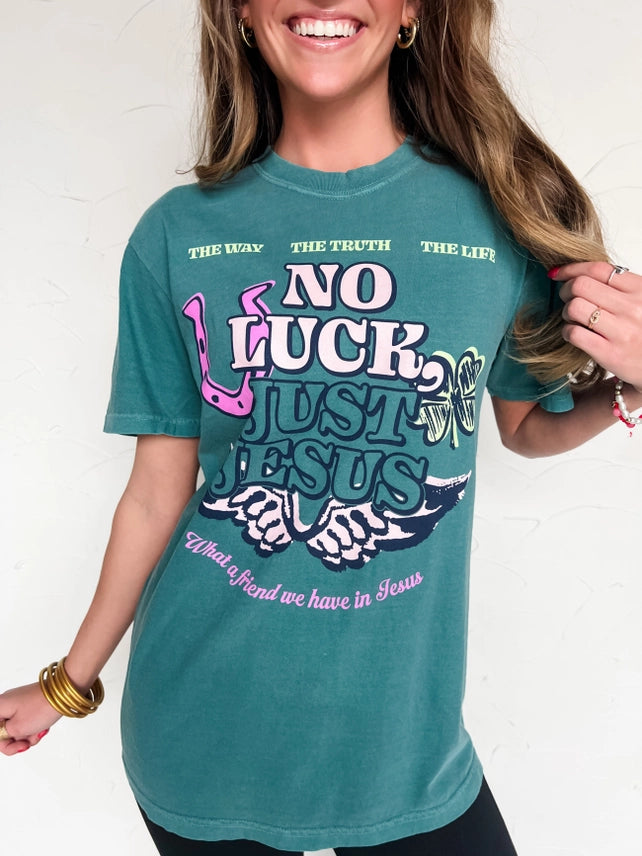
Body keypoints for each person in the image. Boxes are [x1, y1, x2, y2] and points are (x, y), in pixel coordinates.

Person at [1, 0, 641, 854]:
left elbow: (525, 426)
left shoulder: (494, 224)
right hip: (200, 730)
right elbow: (156, 492)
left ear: (411, 11)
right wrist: (66, 684)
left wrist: (636, 387)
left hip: (404, 749)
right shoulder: (179, 235)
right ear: (240, 12)